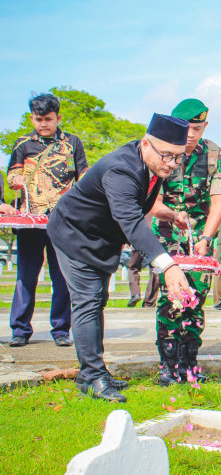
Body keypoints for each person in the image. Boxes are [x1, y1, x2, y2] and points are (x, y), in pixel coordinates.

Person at [47, 113, 193, 402]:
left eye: (178, 157)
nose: (172, 164)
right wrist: (167, 265)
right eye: (167, 155)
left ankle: (92, 372)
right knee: (88, 301)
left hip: (100, 238)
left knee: (97, 300)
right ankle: (92, 376)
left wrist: (171, 214)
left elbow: (141, 206)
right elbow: (131, 219)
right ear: (145, 144)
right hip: (74, 234)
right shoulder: (121, 169)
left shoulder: (151, 165)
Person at [148, 99, 221, 386]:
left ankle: (189, 365)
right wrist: (172, 214)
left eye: (197, 128)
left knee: (196, 299)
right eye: (186, 128)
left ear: (205, 126)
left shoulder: (215, 154)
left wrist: (207, 237)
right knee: (172, 298)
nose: (191, 134)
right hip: (169, 235)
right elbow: (153, 203)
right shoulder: (165, 151)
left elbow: (219, 201)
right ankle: (167, 366)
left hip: (200, 238)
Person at [7, 93, 88, 348]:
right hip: (30, 219)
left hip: (62, 219)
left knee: (62, 276)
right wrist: (16, 180)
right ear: (32, 118)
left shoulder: (72, 143)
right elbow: (12, 175)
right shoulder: (22, 144)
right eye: (38, 119)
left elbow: (84, 175)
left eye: (48, 119)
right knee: (26, 276)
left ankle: (61, 329)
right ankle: (20, 329)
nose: (43, 124)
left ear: (58, 118)